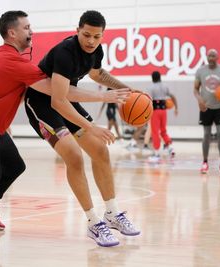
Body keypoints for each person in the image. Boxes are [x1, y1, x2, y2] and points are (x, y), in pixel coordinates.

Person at [0, 10, 129, 254]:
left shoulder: (6, 54)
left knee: (15, 166)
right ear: (12, 32)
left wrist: (124, 89)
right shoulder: (12, 62)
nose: (31, 30)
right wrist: (104, 96)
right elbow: (59, 94)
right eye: (26, 27)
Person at [25, 10, 141, 247]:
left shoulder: (96, 50)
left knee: (100, 151)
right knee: (75, 156)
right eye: (86, 35)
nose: (90, 41)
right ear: (77, 30)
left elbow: (98, 74)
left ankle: (112, 214)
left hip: (66, 99)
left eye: (96, 37)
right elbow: (58, 100)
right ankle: (92, 222)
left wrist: (127, 89)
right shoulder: (65, 53)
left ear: (102, 35)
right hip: (42, 103)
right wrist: (92, 125)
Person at [194, 49, 220, 174]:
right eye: (209, 55)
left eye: (213, 56)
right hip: (206, 108)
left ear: (217, 57)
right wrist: (199, 100)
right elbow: (195, 89)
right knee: (206, 135)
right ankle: (205, 162)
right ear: (207, 57)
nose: (211, 58)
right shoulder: (200, 71)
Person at [147, 71, 178, 162]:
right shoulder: (165, 86)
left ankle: (156, 153)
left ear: (152, 78)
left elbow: (148, 101)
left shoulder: (151, 87)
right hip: (164, 111)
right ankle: (170, 148)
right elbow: (173, 97)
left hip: (155, 111)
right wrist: (176, 108)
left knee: (155, 131)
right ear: (160, 77)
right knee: (163, 130)